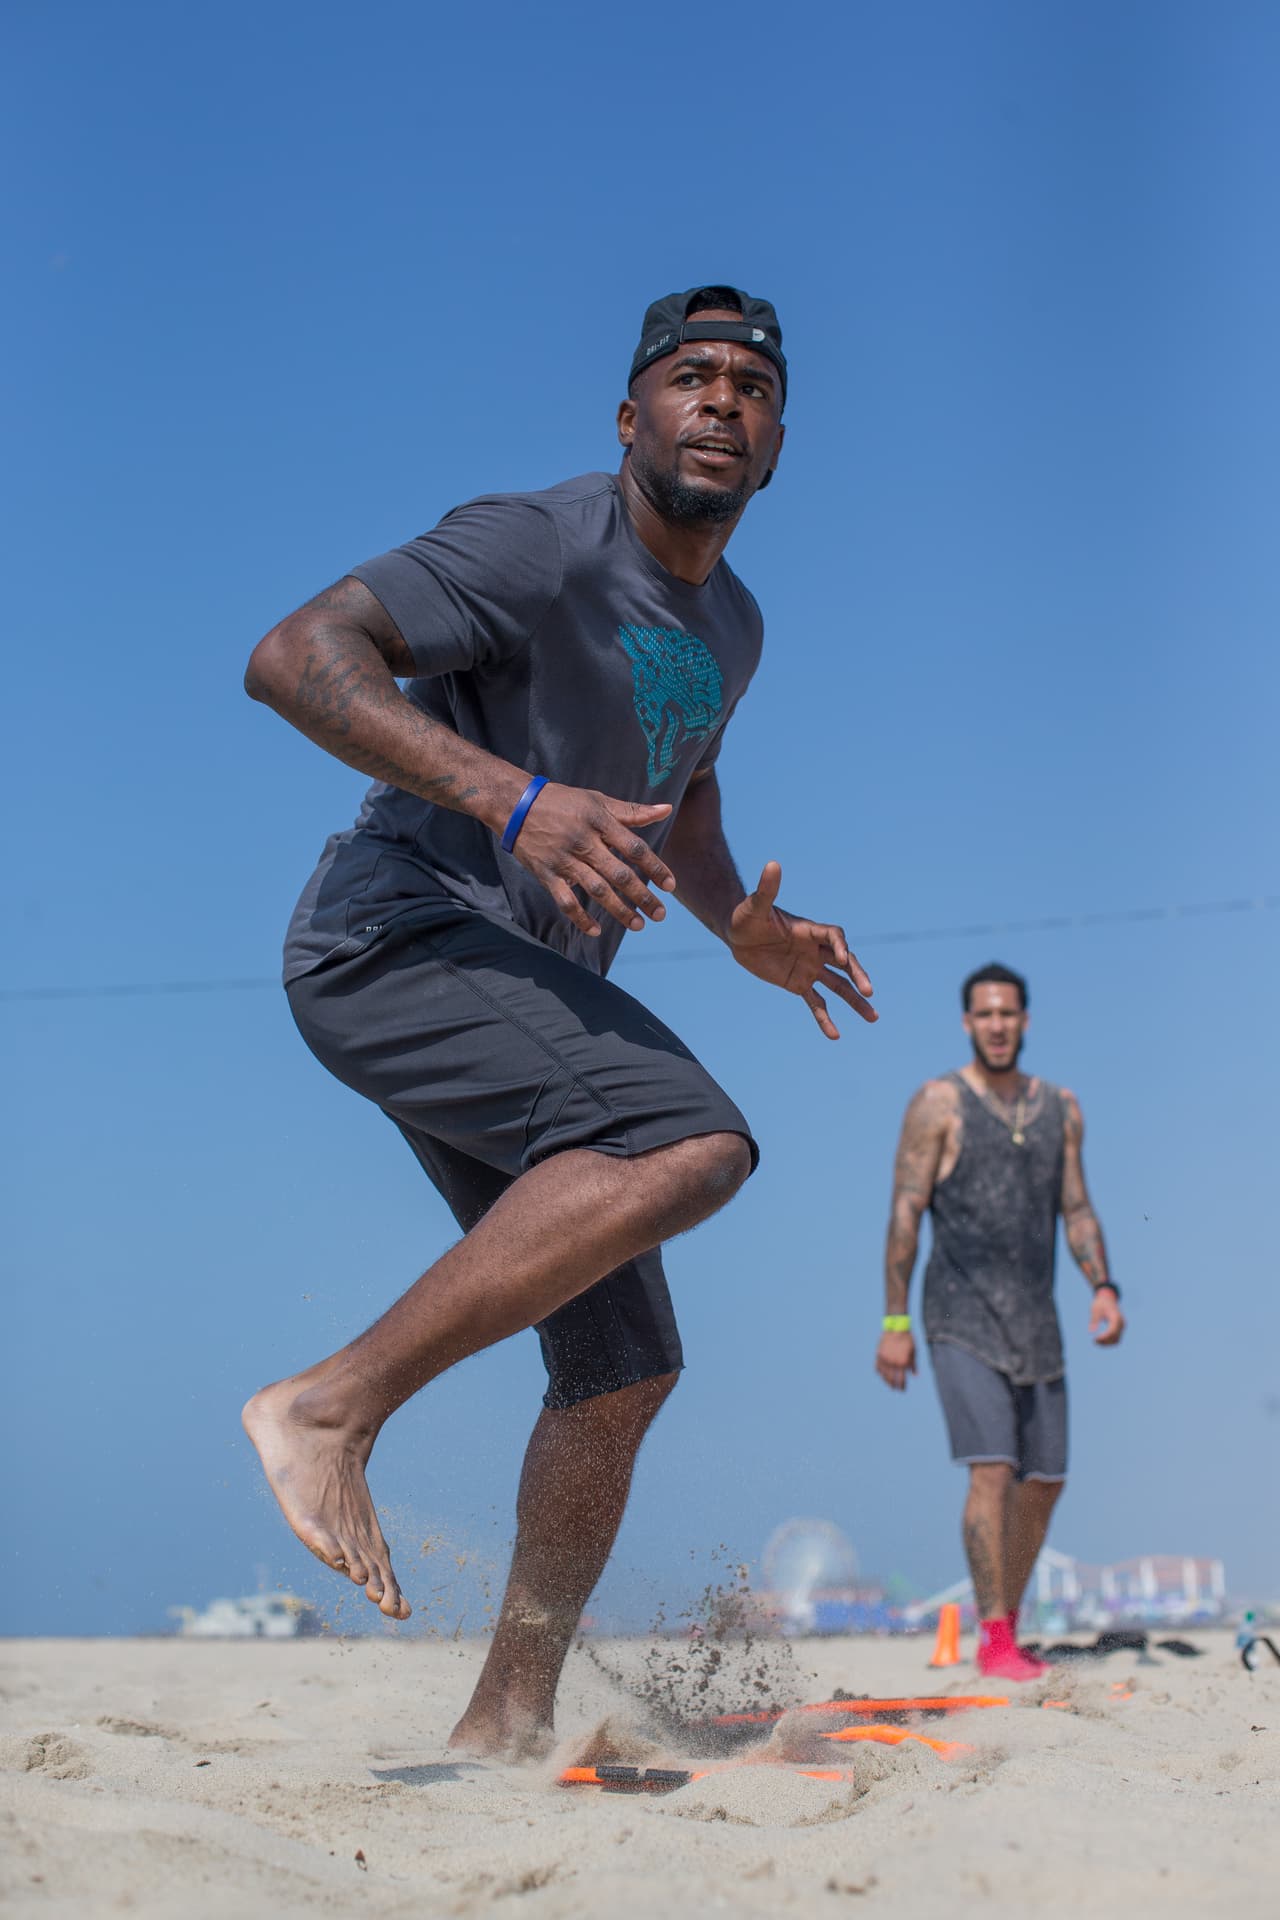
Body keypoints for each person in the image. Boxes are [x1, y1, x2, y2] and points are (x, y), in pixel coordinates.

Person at [242, 285, 877, 1756]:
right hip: (395, 932)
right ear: (630, 416)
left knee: (622, 1371)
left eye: (752, 387)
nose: (721, 400)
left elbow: (688, 790)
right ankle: (331, 1409)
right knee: (695, 1141)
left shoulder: (736, 623)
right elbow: (295, 656)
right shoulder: (537, 541)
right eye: (689, 376)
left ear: (778, 444)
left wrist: (741, 927)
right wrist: (509, 798)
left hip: (516, 982)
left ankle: (503, 1728)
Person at [874, 963, 1123, 1682]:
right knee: (993, 1468)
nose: (997, 1025)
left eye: (1008, 1014)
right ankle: (991, 1638)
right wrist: (894, 1320)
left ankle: (1009, 1629)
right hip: (958, 1315)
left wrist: (1102, 1286)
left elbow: (1076, 1208)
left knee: (1045, 1479)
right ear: (967, 1023)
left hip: (1037, 1319)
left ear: (1025, 1021)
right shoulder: (938, 1103)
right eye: (984, 1015)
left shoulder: (1060, 1110)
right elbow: (903, 1213)